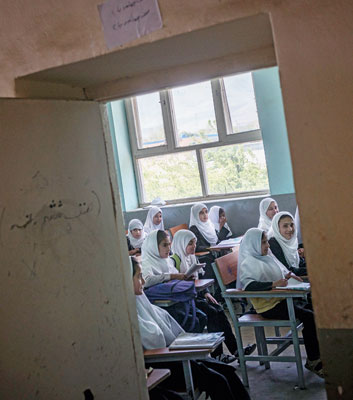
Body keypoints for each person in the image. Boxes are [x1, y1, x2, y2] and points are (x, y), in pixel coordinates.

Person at [132, 256, 251, 400]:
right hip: (164, 363)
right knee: (219, 380)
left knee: (228, 371)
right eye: (139, 277)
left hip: (175, 355)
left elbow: (172, 330)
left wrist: (191, 343)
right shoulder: (129, 312)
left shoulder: (142, 301)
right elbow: (154, 339)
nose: (143, 282)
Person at [237, 228, 324, 378]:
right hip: (268, 307)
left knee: (314, 308)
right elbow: (249, 285)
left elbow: (278, 273)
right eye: (263, 242)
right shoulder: (248, 262)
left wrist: (288, 276)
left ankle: (320, 352)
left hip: (280, 300)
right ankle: (313, 360)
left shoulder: (265, 257)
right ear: (253, 244)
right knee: (309, 317)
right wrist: (273, 284)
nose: (268, 246)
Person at [170, 229, 255, 363]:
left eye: (194, 243)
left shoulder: (192, 258)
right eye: (190, 243)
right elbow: (173, 285)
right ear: (181, 243)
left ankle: (235, 349)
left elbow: (200, 278)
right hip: (185, 301)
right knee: (212, 313)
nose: (193, 246)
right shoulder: (174, 261)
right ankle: (218, 355)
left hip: (196, 296)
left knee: (218, 309)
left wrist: (207, 292)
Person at [141, 230, 207, 333]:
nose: (168, 248)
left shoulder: (166, 261)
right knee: (194, 322)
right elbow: (147, 281)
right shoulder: (147, 262)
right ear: (153, 246)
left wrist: (184, 278)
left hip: (176, 301)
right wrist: (172, 276)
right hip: (162, 307)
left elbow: (176, 277)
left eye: (169, 244)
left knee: (202, 317)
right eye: (164, 245)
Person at [189, 203, 231, 301]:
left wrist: (222, 227)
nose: (205, 215)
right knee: (219, 266)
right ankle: (219, 296)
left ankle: (222, 295)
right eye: (201, 213)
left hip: (213, 255)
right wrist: (210, 248)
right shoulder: (194, 228)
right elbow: (197, 247)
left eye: (206, 212)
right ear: (195, 215)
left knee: (228, 264)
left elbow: (217, 241)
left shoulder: (210, 225)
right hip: (204, 258)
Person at [268, 212, 307, 276]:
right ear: (277, 228)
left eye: (292, 225)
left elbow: (300, 264)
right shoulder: (272, 244)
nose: (290, 229)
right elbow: (287, 270)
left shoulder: (292, 242)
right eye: (285, 226)